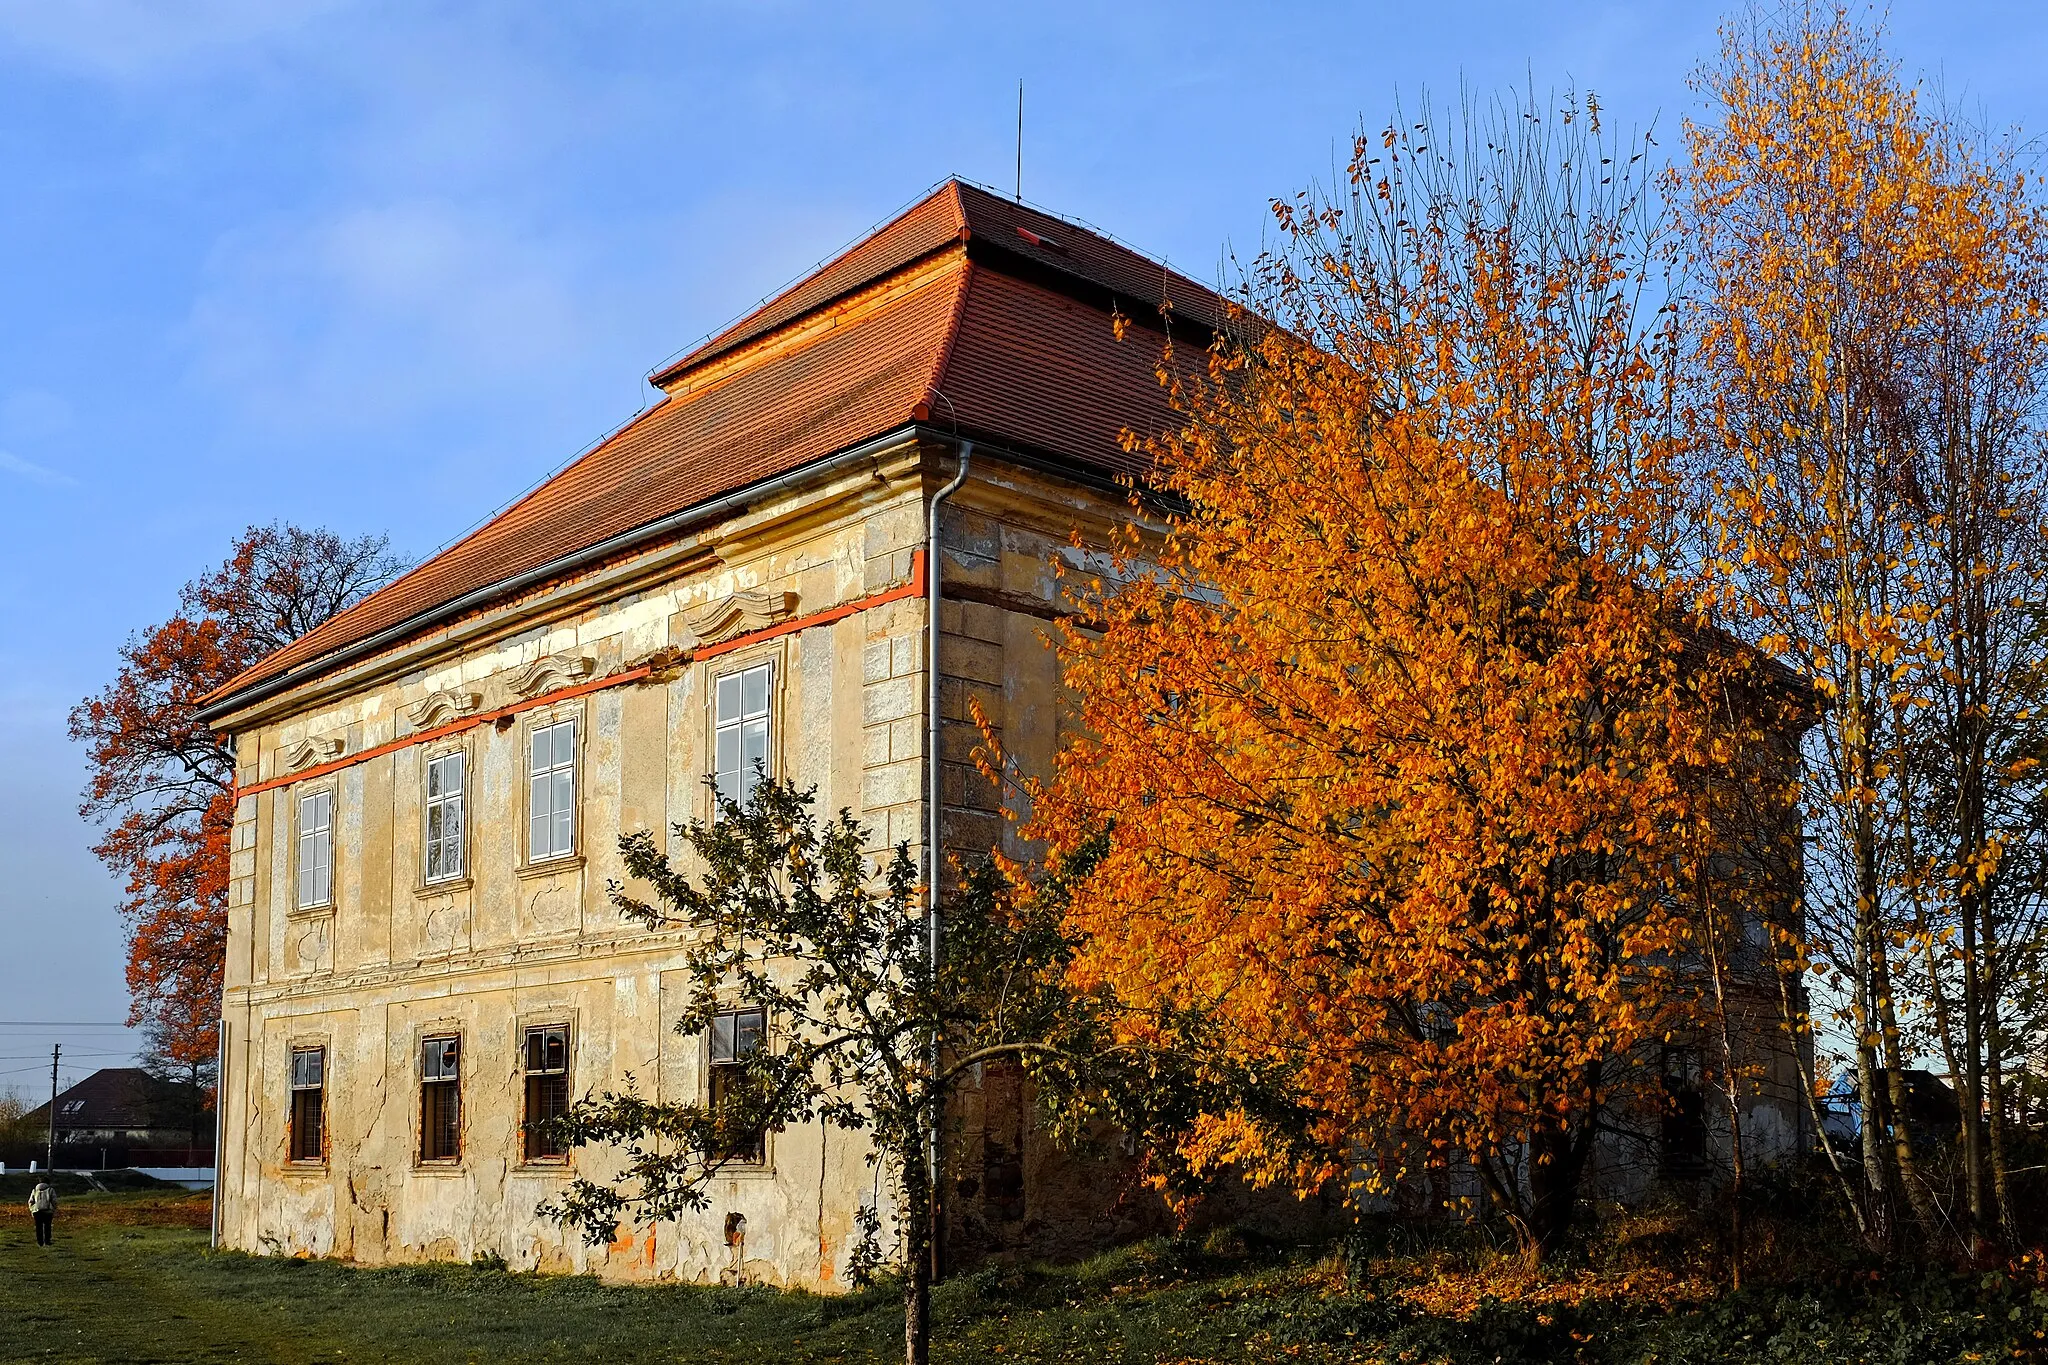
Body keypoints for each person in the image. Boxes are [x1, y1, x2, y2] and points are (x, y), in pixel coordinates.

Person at [29, 1179, 55, 1246]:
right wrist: (53, 1208)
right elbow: (54, 1201)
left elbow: (31, 1201)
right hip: (48, 1211)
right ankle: (47, 1241)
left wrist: (32, 1209)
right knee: (47, 1227)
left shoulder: (35, 1190)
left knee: (38, 1227)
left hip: (37, 1211)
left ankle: (40, 1242)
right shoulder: (50, 1190)